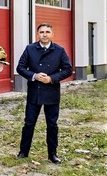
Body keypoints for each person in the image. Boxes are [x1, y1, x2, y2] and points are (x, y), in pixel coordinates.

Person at [16, 22, 72, 164]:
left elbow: (67, 69)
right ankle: (23, 151)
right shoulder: (30, 49)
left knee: (52, 125)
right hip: (35, 92)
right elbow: (20, 67)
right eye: (42, 32)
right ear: (38, 34)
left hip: (52, 93)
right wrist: (34, 76)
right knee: (29, 123)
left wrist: (51, 79)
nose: (44, 34)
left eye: (47, 32)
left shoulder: (59, 50)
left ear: (52, 34)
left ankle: (52, 154)